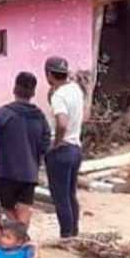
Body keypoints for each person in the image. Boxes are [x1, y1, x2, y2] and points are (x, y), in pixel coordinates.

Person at [0, 72, 51, 227]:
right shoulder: (40, 117)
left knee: (7, 210)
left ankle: (16, 237)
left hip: (5, 172)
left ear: (15, 89)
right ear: (33, 93)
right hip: (28, 175)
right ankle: (21, 239)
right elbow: (45, 146)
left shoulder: (2, 114)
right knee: (24, 211)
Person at [44, 56, 85, 239]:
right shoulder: (75, 89)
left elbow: (61, 123)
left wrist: (56, 143)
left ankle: (66, 235)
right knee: (70, 194)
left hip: (62, 150)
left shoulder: (58, 96)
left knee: (60, 197)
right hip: (76, 148)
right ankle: (74, 232)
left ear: (50, 75)